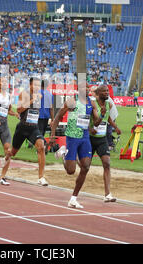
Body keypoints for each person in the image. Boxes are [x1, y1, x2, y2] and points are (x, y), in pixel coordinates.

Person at [50, 79, 102, 208]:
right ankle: (63, 153)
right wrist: (52, 135)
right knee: (71, 171)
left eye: (88, 88)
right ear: (78, 89)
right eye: (84, 87)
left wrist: (99, 119)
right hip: (72, 137)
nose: (87, 90)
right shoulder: (72, 101)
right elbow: (57, 117)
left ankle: (73, 198)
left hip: (85, 138)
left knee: (86, 166)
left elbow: (95, 122)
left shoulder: (92, 103)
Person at [10, 77, 48, 186]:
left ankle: (41, 177)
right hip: (22, 127)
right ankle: (6, 157)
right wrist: (32, 100)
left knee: (41, 147)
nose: (36, 87)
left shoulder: (40, 96)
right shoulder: (24, 94)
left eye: (38, 85)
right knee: (13, 152)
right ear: (30, 85)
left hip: (33, 128)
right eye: (34, 85)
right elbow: (19, 110)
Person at [90, 85, 121, 202]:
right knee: (84, 166)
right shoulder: (93, 104)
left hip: (102, 139)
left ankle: (107, 194)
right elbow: (94, 121)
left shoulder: (109, 104)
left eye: (108, 91)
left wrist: (115, 127)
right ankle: (68, 156)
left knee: (107, 163)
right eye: (104, 91)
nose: (107, 93)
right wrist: (101, 115)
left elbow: (108, 119)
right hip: (91, 138)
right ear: (98, 93)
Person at [38, 80, 54, 152]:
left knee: (39, 132)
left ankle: (43, 145)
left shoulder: (37, 93)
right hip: (46, 115)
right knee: (43, 131)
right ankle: (42, 145)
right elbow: (51, 108)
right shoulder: (50, 94)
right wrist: (53, 119)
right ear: (47, 86)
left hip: (39, 115)